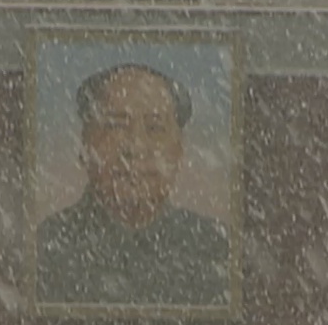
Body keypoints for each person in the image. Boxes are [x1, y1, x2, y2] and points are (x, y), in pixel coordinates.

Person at [36, 62, 230, 307]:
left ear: (179, 152)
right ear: (85, 145)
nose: (135, 147)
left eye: (155, 128)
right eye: (116, 126)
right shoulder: (47, 248)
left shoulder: (215, 247)